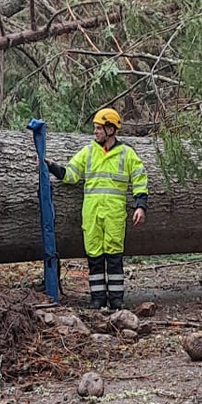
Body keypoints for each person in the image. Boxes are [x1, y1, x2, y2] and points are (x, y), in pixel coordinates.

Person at [45, 108, 148, 310]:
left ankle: (117, 299)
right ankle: (98, 298)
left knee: (114, 258)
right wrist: (51, 166)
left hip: (114, 215)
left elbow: (140, 179)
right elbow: (70, 175)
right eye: (95, 128)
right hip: (91, 214)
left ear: (111, 129)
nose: (95, 132)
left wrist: (141, 206)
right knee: (94, 258)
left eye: (99, 128)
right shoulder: (89, 151)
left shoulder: (127, 154)